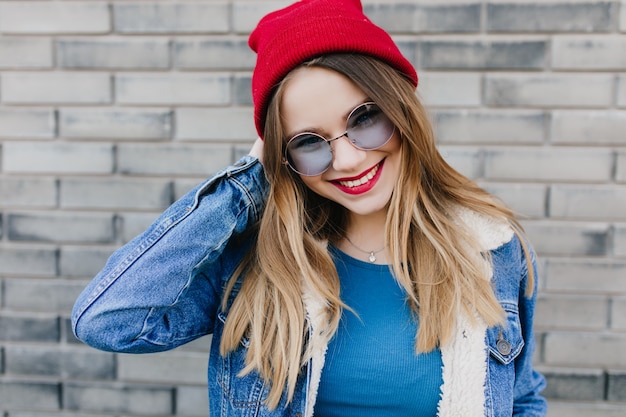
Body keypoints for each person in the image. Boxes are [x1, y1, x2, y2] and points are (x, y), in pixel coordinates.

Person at [72, 0, 547, 416]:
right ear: (281, 159)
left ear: (403, 110)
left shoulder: (491, 249)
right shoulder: (253, 264)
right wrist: (246, 185)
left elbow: (520, 399)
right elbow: (108, 321)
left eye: (365, 119)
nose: (347, 159)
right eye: (308, 143)